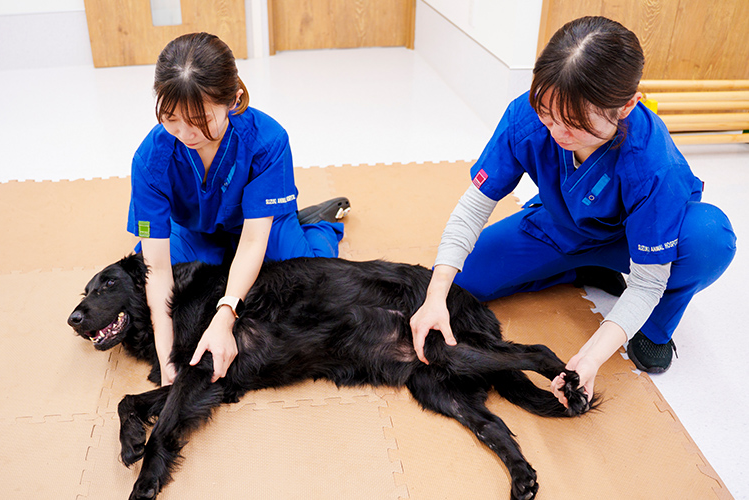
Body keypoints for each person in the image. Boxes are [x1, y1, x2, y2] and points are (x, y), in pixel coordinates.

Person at [410, 16, 736, 408]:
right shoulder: (526, 115)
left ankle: (655, 328)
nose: (557, 132)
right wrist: (435, 294)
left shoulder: (652, 162)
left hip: (638, 241)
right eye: (548, 114)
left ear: (627, 105)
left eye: (577, 124)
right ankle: (583, 267)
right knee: (465, 284)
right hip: (560, 226)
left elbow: (649, 282)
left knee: (709, 240)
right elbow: (474, 206)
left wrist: (591, 358)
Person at [127, 32, 350, 386]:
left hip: (260, 225)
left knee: (312, 289)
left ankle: (319, 226)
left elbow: (252, 242)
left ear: (233, 99)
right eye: (170, 118)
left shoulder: (267, 140)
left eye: (198, 119)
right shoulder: (150, 158)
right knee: (157, 287)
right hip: (196, 229)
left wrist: (226, 313)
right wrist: (167, 360)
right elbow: (157, 268)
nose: (184, 133)